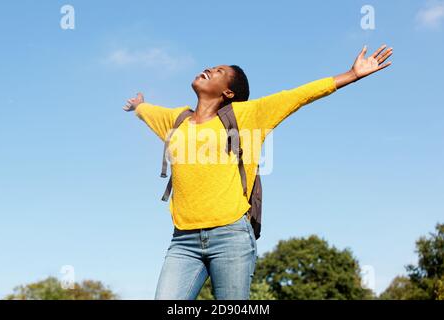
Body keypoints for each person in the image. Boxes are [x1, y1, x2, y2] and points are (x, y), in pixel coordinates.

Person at [123, 45, 393, 300]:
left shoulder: (247, 115)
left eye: (219, 72)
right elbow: (149, 112)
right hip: (183, 240)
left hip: (230, 237)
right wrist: (139, 106)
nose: (209, 69)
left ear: (228, 92)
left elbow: (297, 96)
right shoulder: (176, 120)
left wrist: (352, 75)